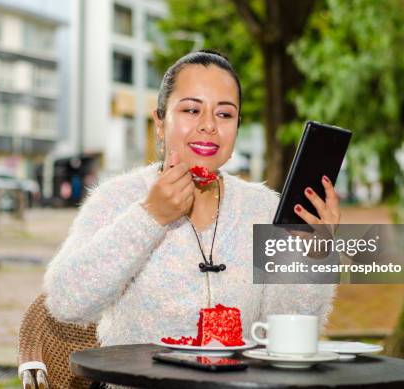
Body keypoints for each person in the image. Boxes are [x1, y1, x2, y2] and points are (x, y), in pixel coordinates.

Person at [43, 50, 341, 348]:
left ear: (237, 127)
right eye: (191, 110)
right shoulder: (117, 199)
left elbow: (285, 331)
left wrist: (313, 257)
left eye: (224, 114)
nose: (209, 125)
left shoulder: (263, 209)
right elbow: (65, 302)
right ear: (160, 122)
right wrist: (150, 217)